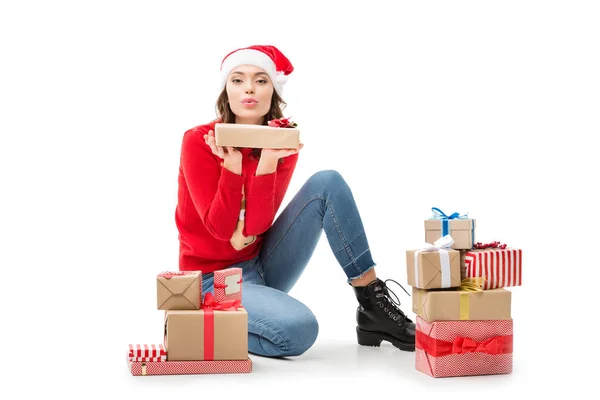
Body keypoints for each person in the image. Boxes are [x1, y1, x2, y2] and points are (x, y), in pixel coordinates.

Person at [175, 45, 415, 358]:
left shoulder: (280, 143)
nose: (249, 87)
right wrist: (232, 167)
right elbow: (221, 231)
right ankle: (203, 322)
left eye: (261, 80)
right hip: (211, 281)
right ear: (226, 91)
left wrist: (268, 161)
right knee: (299, 330)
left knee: (327, 182)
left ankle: (372, 305)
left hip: (260, 265)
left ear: (273, 91)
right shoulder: (198, 140)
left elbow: (258, 227)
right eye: (238, 80)